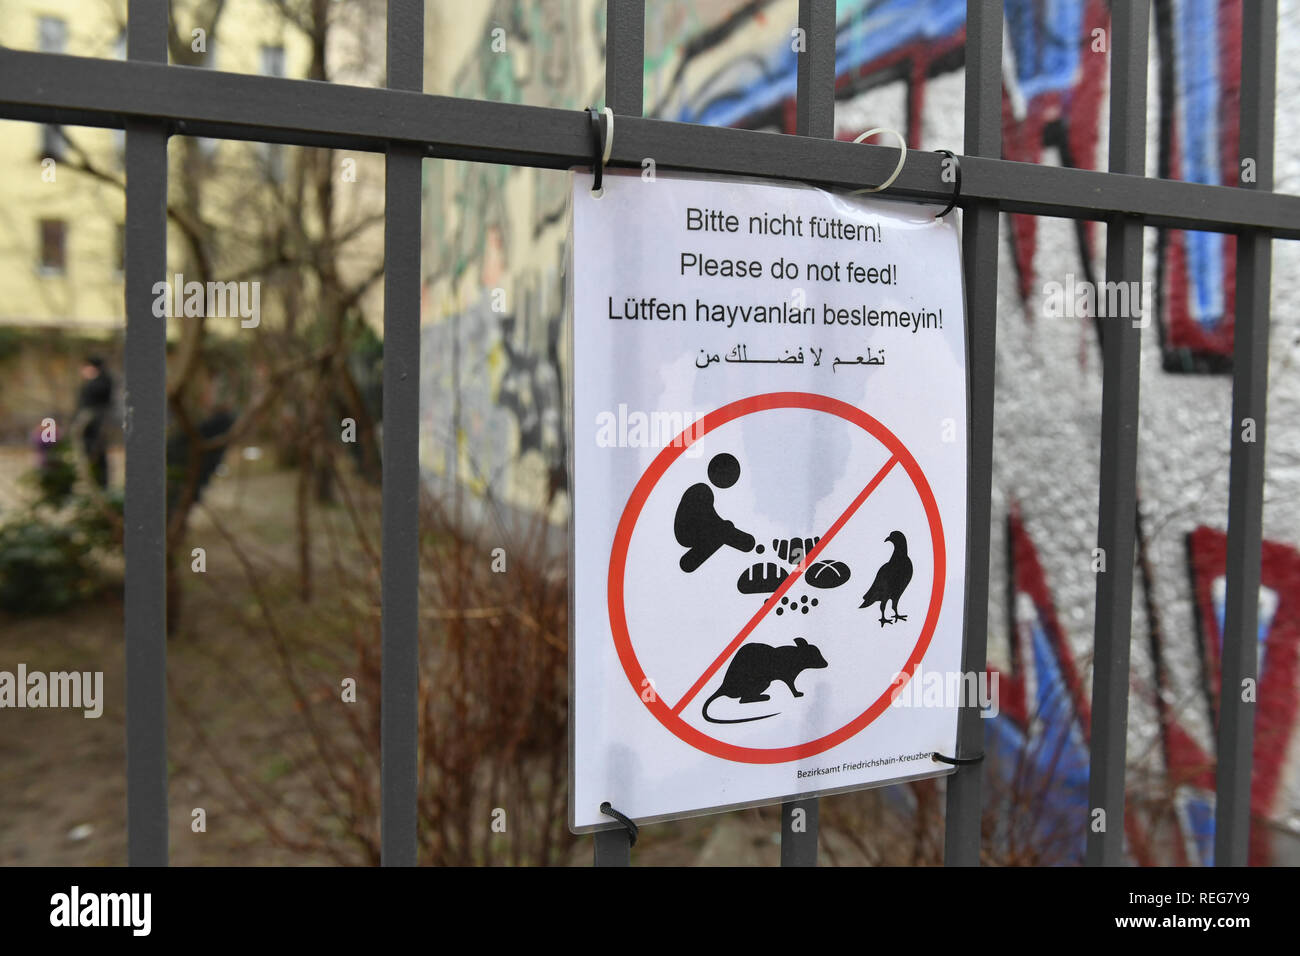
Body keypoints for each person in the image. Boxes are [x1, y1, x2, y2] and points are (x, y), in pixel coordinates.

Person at [76, 356, 113, 489]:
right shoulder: (92, 383)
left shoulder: (102, 382)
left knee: (97, 453)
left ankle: (101, 484)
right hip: (88, 426)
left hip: (97, 425)